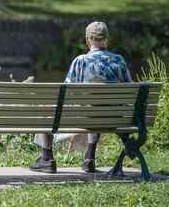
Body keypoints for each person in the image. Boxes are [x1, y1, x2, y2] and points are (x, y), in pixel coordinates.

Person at [29, 21, 132, 173]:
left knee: (49, 109)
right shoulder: (119, 61)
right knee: (97, 107)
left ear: (88, 40)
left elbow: (65, 94)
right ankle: (89, 157)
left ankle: (46, 159)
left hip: (84, 118)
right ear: (107, 39)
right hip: (114, 118)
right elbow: (130, 91)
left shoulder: (80, 61)